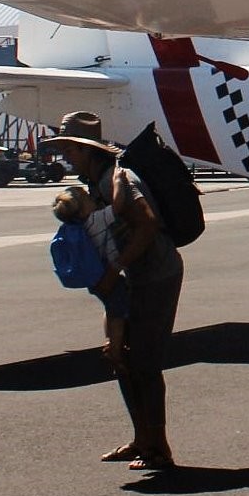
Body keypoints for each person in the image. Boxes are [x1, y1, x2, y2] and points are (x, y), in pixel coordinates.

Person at [43, 112, 183, 471]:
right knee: (121, 357)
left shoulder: (118, 180)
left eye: (70, 149)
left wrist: (115, 266)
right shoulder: (96, 182)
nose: (66, 157)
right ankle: (142, 439)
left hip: (155, 276)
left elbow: (147, 223)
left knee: (145, 363)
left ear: (88, 150)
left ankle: (159, 449)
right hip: (129, 280)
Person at [52, 183, 130, 363]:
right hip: (105, 273)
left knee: (110, 307)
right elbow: (118, 206)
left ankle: (110, 339)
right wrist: (118, 182)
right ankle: (115, 348)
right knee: (119, 310)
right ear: (81, 210)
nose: (92, 198)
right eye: (87, 198)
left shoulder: (72, 227)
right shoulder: (97, 219)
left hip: (92, 276)